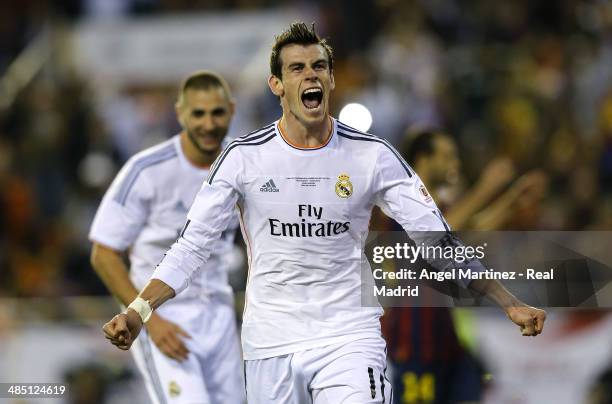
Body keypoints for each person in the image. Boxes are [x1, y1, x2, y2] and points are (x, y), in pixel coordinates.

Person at [102, 22, 546, 404]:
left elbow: (436, 239)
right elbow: (190, 249)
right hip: (270, 344)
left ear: (331, 81)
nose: (309, 75)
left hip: (349, 337)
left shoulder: (374, 157)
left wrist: (508, 301)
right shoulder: (243, 159)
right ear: (276, 85)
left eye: (319, 67)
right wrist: (139, 311)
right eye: (296, 68)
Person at [90, 71, 245, 404]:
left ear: (232, 111)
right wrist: (150, 320)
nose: (208, 124)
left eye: (217, 113)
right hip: (160, 314)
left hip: (219, 313)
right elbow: (103, 253)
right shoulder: (146, 169)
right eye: (198, 113)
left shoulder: (241, 167)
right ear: (180, 113)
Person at [382, 129, 547, 403]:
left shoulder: (442, 205)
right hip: (414, 344)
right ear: (423, 159)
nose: (454, 163)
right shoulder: (398, 201)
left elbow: (468, 233)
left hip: (446, 340)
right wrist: (487, 187)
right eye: (447, 156)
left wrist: (512, 201)